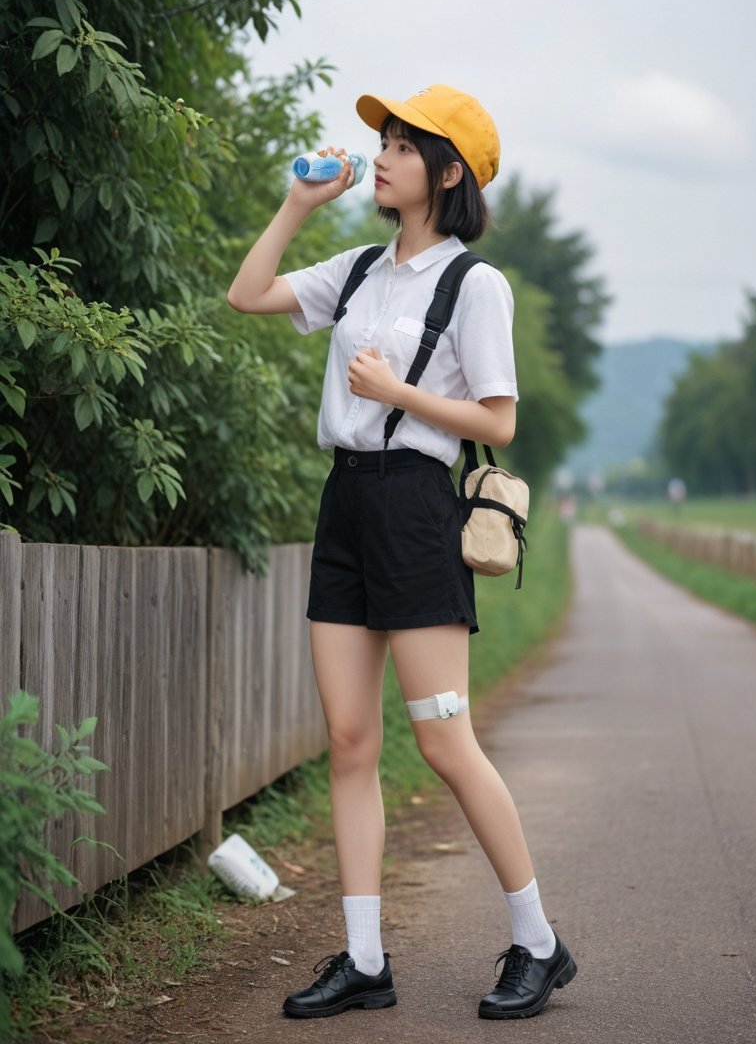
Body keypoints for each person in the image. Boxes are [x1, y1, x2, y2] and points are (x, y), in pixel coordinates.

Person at [227, 84, 577, 1019]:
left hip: (421, 510)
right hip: (346, 502)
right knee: (348, 739)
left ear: (448, 171)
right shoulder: (357, 270)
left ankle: (539, 943)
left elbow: (498, 418)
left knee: (443, 740)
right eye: (380, 141)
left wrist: (398, 389)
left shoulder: (476, 284)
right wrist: (299, 204)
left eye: (401, 146)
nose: (378, 156)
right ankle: (365, 959)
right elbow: (247, 293)